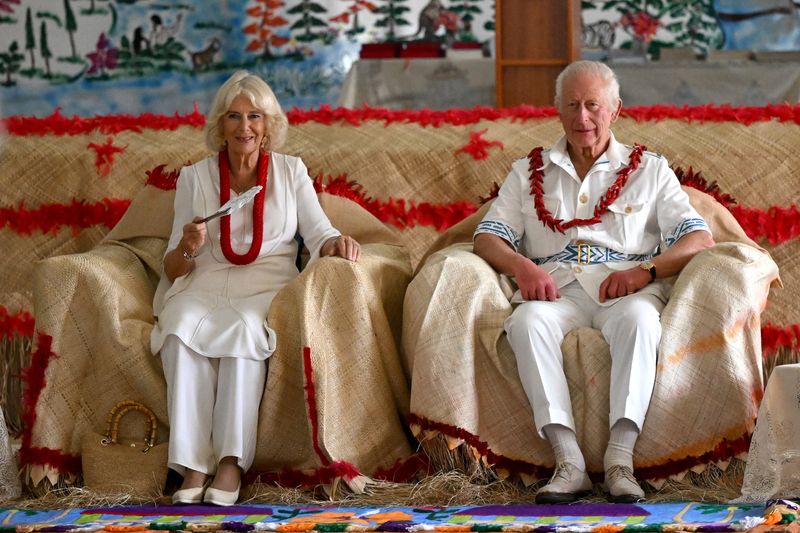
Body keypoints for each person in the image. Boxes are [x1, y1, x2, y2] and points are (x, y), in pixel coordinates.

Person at [472, 60, 715, 503]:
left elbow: (699, 238)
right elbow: (487, 238)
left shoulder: (649, 169)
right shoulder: (528, 171)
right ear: (557, 110)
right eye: (571, 106)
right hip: (557, 290)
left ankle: (621, 460)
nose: (582, 118)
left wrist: (647, 271)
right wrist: (521, 266)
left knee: (642, 323)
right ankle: (569, 463)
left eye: (592, 106)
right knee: (526, 323)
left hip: (625, 291)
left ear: (615, 109)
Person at [150, 70, 360, 506]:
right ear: (219, 126)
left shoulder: (290, 171)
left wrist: (336, 241)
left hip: (265, 285)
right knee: (178, 325)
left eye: (254, 116)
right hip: (202, 281)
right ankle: (192, 465)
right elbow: (172, 267)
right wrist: (188, 248)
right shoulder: (194, 178)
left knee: (246, 330)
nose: (244, 126)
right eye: (233, 116)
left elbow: (319, 232)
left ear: (268, 126)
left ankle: (229, 463)